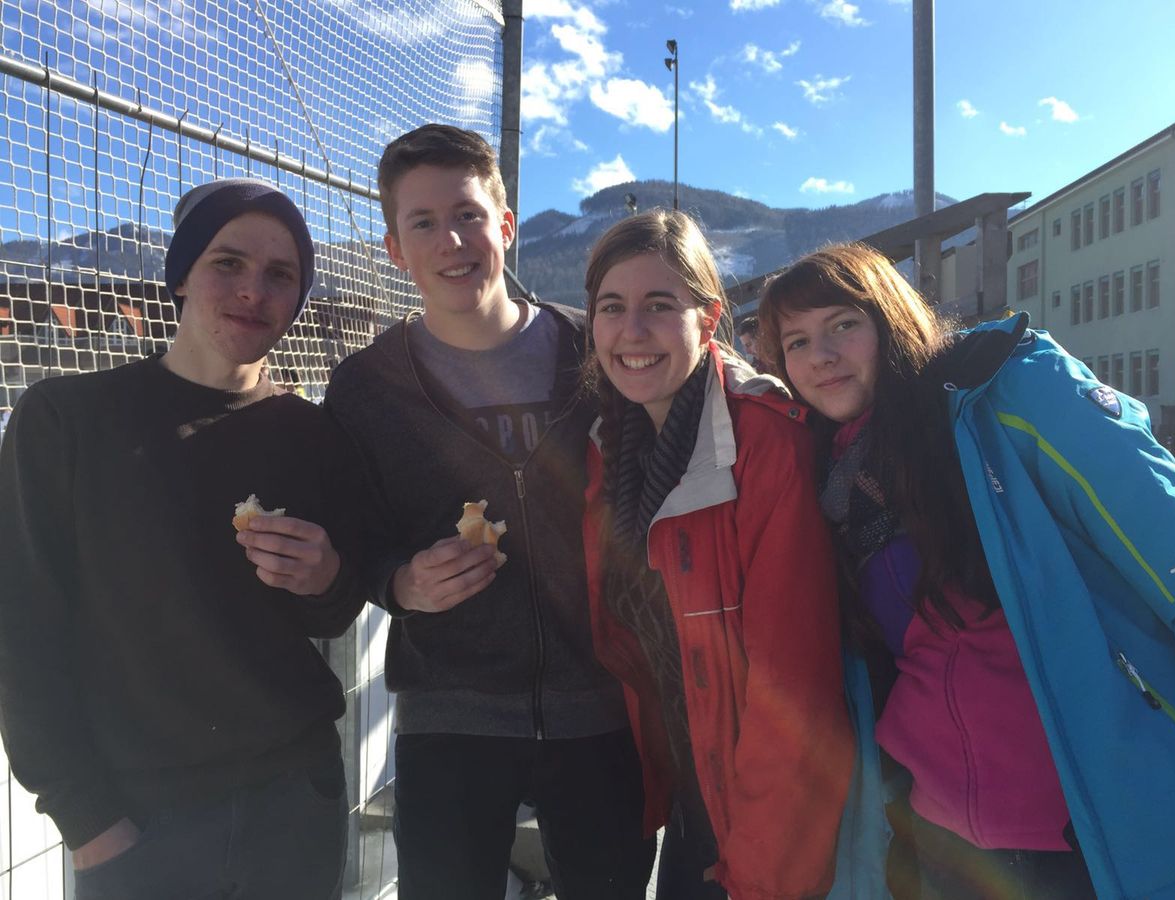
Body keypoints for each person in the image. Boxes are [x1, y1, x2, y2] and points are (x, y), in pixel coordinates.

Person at [756, 242, 1175, 899]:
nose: (819, 355)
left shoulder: (1001, 394)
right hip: (939, 837)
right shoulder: (825, 480)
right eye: (796, 341)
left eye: (843, 324)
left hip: (1095, 814)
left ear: (891, 320)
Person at [0, 179, 367, 899]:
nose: (253, 290)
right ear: (180, 276)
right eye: (227, 263)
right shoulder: (67, 421)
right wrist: (86, 818)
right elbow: (20, 626)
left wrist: (325, 577)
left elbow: (331, 614)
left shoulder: (310, 433)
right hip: (137, 818)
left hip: (296, 801)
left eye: (281, 274)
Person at [323, 124, 653, 900]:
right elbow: (356, 542)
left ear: (504, 225)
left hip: (602, 706)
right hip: (450, 715)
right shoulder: (367, 386)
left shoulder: (595, 347)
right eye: (424, 223)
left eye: (468, 215)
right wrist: (401, 583)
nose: (451, 241)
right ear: (395, 250)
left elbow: (690, 389)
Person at [580, 209, 855, 900]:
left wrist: (761, 873)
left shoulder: (761, 440)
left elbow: (794, 685)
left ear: (707, 321)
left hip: (764, 816)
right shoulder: (610, 448)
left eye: (659, 305)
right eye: (611, 307)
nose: (631, 331)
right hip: (695, 792)